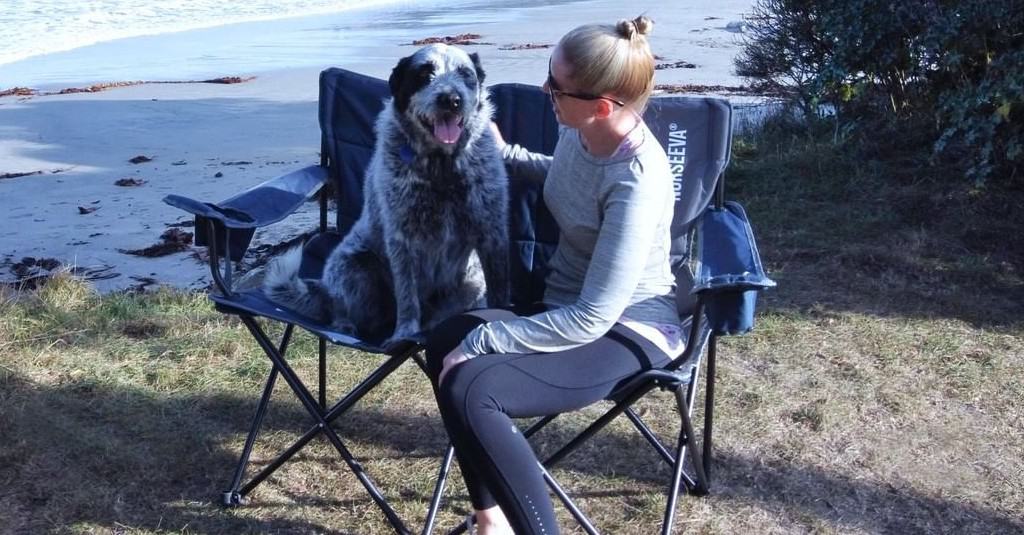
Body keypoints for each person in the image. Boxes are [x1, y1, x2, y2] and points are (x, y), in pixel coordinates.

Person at [425, 15, 684, 535]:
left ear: (604, 105)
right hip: (564, 307)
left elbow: (594, 315)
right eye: (549, 73)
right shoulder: (583, 131)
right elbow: (568, 181)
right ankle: (490, 517)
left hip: (625, 327)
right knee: (444, 339)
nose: (546, 90)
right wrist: (507, 155)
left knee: (474, 388)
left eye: (557, 86)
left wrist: (489, 338)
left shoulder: (638, 180)